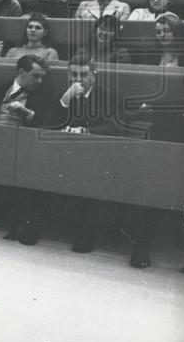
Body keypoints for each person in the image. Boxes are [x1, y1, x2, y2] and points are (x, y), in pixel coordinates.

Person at [48, 51, 157, 266]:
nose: (77, 79)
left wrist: (85, 132)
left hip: (102, 155)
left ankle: (87, 232)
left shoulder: (108, 97)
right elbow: (50, 123)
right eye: (73, 75)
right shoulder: (64, 96)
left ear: (93, 75)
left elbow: (115, 127)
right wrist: (65, 99)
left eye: (83, 74)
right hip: (69, 154)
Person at [0, 56, 54, 242]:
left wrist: (27, 113)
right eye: (36, 76)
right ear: (21, 73)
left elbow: (47, 124)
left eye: (42, 77)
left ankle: (22, 224)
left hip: (25, 146)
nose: (40, 81)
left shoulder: (44, 95)